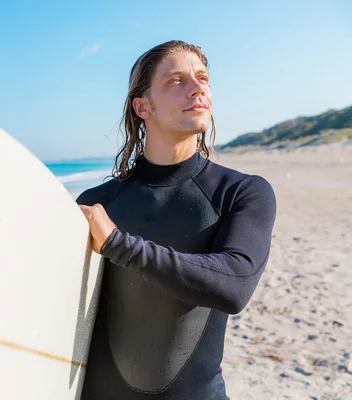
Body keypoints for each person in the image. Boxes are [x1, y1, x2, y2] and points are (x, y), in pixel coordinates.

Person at [76, 40, 277, 399]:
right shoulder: (97, 204)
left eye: (202, 78)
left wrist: (117, 245)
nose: (197, 88)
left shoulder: (242, 193)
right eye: (176, 81)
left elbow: (233, 286)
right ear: (142, 106)